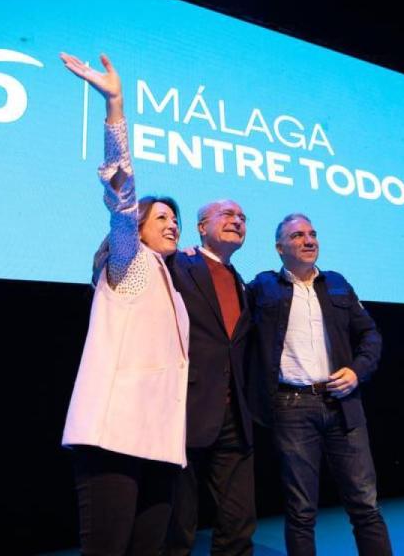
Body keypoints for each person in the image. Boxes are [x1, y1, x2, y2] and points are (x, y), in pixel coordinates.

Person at [60, 52, 190, 555]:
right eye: (161, 219)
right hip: (113, 441)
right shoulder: (131, 263)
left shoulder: (170, 285)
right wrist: (115, 104)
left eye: (174, 220)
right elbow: (122, 196)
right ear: (135, 232)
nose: (171, 224)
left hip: (158, 446)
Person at [247, 213, 392, 555]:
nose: (309, 240)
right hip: (292, 408)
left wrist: (357, 370)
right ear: (279, 248)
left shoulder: (337, 283)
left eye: (312, 234)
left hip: (344, 405)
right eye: (298, 236)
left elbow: (370, 333)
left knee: (365, 505)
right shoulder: (262, 286)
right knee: (301, 511)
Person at [165, 200, 256, 556]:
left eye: (242, 217)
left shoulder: (244, 284)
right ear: (202, 228)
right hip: (186, 411)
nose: (237, 221)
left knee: (238, 523)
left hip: (235, 416)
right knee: (177, 524)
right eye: (228, 215)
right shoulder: (178, 263)